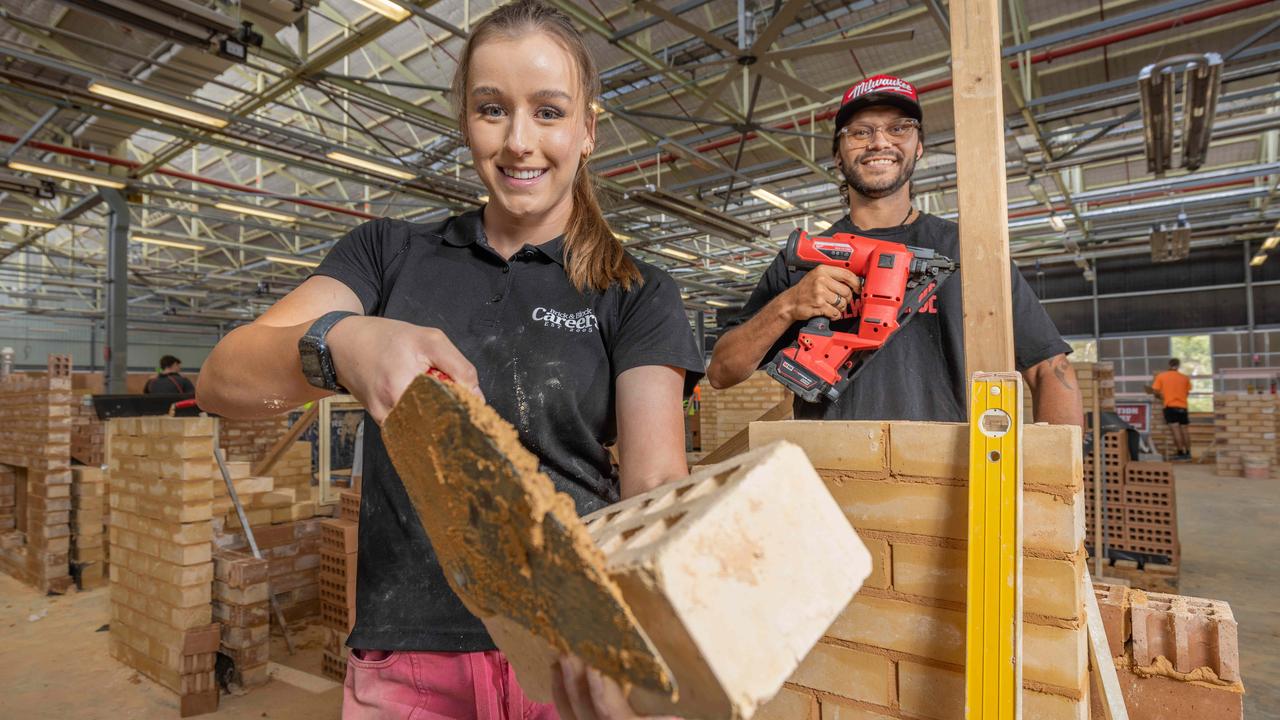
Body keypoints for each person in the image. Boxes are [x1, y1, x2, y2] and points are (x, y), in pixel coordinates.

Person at [195, 1, 702, 717]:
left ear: (588, 129)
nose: (520, 142)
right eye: (492, 109)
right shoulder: (387, 256)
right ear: (465, 120)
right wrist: (341, 340)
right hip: (410, 656)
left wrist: (645, 633)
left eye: (549, 112)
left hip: (567, 650)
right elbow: (222, 378)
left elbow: (653, 482)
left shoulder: (635, 290)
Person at [707, 74, 1083, 427]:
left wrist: (1055, 484)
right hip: (831, 479)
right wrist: (788, 305)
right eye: (860, 131)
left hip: (950, 479)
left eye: (898, 128)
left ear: (918, 147)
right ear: (838, 154)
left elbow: (1049, 369)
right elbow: (722, 372)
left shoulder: (970, 252)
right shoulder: (805, 258)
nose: (879, 142)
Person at [1149, 358, 1192, 460]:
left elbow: (1155, 392)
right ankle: (1188, 454)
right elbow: (1187, 393)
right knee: (1185, 430)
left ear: (1169, 364)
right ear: (1178, 365)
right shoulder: (1185, 378)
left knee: (1176, 430)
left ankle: (1181, 453)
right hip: (1183, 407)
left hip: (1170, 407)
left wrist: (1161, 397)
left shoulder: (1161, 376)